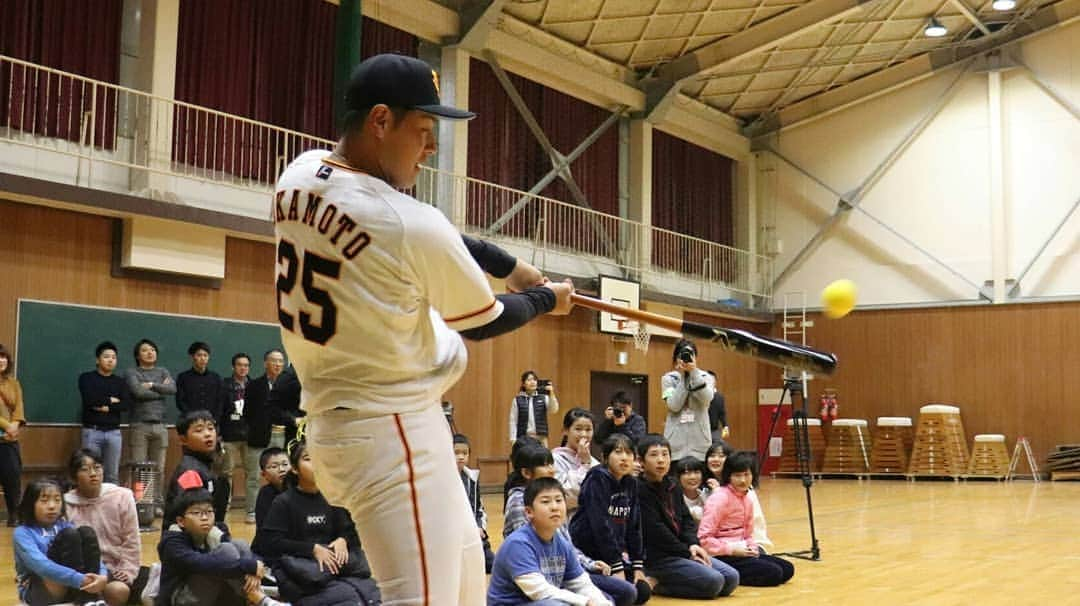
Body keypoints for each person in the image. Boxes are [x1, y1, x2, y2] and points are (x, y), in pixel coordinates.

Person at [279, 53, 574, 605]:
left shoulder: (299, 172)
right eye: (424, 131)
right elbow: (487, 320)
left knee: (466, 574)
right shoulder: (406, 222)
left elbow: (426, 233)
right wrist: (544, 298)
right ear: (381, 121)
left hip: (353, 419)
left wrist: (507, 265)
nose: (432, 148)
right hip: (391, 431)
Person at [504, 443, 637, 606]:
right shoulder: (519, 525)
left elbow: (571, 555)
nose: (552, 469)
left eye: (559, 501)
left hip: (557, 576)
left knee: (624, 592)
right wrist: (583, 601)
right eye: (545, 465)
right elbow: (537, 586)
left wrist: (590, 564)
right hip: (529, 589)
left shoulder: (556, 536)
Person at [256, 441, 380, 605]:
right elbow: (270, 543)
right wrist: (312, 549)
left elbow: (352, 531)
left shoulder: (334, 496)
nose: (316, 464)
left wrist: (343, 539)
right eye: (308, 459)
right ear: (294, 468)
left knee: (370, 595)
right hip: (302, 573)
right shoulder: (283, 502)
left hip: (337, 568)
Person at [635, 434, 739, 600]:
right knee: (714, 582)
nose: (661, 460)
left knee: (732, 578)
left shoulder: (673, 485)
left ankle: (680, 573)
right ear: (641, 461)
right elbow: (656, 532)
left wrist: (693, 544)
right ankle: (657, 582)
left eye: (665, 454)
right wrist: (688, 552)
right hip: (658, 557)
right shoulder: (639, 490)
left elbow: (687, 520)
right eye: (654, 455)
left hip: (682, 550)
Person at [157, 472, 283, 606]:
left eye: (209, 512)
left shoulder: (216, 530)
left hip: (213, 595)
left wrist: (253, 570)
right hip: (181, 599)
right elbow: (201, 563)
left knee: (239, 545)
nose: (204, 517)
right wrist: (249, 566)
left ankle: (254, 597)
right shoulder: (172, 541)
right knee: (226, 551)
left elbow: (243, 555)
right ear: (181, 521)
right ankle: (258, 598)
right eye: (196, 513)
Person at [488, 477, 613, 606]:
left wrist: (601, 602)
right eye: (546, 501)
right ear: (529, 512)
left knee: (607, 598)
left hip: (543, 601)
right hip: (516, 603)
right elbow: (539, 591)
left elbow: (580, 582)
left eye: (559, 500)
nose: (554, 507)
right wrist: (585, 602)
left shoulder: (561, 543)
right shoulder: (518, 544)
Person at [569, 434, 651, 604]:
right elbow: (600, 526)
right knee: (627, 594)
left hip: (613, 555)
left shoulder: (631, 483)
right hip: (590, 556)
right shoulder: (597, 478)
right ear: (605, 458)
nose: (624, 458)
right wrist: (616, 566)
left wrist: (638, 566)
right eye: (618, 452)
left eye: (629, 453)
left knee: (642, 591)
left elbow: (634, 526)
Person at [698, 451, 794, 587]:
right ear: (729, 476)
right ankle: (726, 573)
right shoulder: (719, 499)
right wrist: (732, 550)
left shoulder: (747, 498)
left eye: (746, 475)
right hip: (722, 554)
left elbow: (747, 534)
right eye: (737, 475)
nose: (743, 480)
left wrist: (752, 547)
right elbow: (704, 539)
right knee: (774, 573)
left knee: (788, 569)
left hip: (742, 552)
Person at [13, 478, 110, 605]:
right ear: (31, 504)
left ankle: (88, 598)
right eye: (44, 500)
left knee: (86, 532)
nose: (52, 506)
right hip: (39, 589)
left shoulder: (65, 525)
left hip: (74, 584)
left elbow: (95, 556)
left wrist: (102, 576)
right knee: (69, 535)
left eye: (57, 500)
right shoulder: (23, 532)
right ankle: (87, 595)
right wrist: (82, 580)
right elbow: (42, 566)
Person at [64, 449, 141, 605]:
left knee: (119, 590)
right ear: (74, 477)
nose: (93, 473)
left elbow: (131, 539)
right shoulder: (65, 503)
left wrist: (127, 570)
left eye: (97, 467)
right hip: (81, 569)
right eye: (85, 469)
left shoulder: (122, 496)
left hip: (116, 568)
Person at [126, 338, 175, 514]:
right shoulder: (132, 372)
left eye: (153, 349)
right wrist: (160, 391)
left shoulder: (162, 371)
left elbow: (172, 390)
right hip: (140, 425)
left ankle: (156, 504)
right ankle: (140, 503)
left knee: (159, 469)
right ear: (138, 355)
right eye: (145, 350)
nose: (150, 352)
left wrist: (153, 385)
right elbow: (138, 392)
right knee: (140, 468)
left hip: (161, 426)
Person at [243, 350, 288, 524]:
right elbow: (247, 412)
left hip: (283, 434)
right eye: (274, 361)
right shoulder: (254, 385)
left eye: (280, 361)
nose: (277, 364)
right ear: (265, 363)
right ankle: (251, 511)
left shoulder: (289, 385)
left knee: (284, 474)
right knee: (254, 475)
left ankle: (282, 509)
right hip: (259, 435)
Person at [164, 410, 230, 526]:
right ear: (183, 439)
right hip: (184, 539)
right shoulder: (190, 471)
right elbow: (194, 517)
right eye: (199, 430)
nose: (207, 434)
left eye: (210, 428)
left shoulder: (209, 465)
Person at [78, 341, 131, 485]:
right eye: (107, 356)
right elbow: (90, 400)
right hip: (92, 431)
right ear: (97, 359)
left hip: (114, 433)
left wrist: (105, 406)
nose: (110, 360)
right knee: (90, 473)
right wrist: (111, 400)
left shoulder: (120, 382)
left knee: (112, 475)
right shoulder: (87, 378)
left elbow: (126, 404)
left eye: (114, 357)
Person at [662, 339, 715, 461]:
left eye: (690, 354)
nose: (686, 358)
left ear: (695, 358)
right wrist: (684, 378)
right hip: (675, 446)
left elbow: (706, 399)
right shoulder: (668, 379)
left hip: (700, 445)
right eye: (682, 355)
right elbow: (674, 405)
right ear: (676, 359)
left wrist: (693, 374)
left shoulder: (706, 377)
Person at [453, 434, 495, 573]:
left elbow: (479, 508)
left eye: (465, 453)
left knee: (492, 563)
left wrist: (480, 528)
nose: (461, 456)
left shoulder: (472, 478)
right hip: (454, 537)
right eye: (456, 452)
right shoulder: (444, 480)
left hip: (474, 535)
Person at [218, 353, 251, 515]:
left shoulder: (253, 385)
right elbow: (220, 410)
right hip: (229, 434)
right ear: (233, 367)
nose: (243, 368)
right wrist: (218, 432)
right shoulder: (224, 385)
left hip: (249, 435)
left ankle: (251, 506)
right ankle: (225, 503)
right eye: (240, 365)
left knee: (251, 472)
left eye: (246, 365)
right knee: (227, 471)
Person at [551, 408, 599, 513]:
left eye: (588, 429)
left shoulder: (595, 463)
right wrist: (585, 465)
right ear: (565, 431)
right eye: (578, 429)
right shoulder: (554, 459)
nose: (583, 434)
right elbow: (565, 496)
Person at [0, 344, 27, 526]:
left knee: (12, 476)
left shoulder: (13, 383)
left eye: (3, 357)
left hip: (9, 439)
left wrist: (16, 423)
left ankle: (14, 515)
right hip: (6, 429)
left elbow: (19, 407)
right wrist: (6, 424)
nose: (1, 360)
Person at [509, 370, 560, 447]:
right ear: (523, 384)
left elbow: (554, 410)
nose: (532, 382)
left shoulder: (544, 397)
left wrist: (551, 394)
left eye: (534, 379)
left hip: (541, 437)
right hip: (523, 437)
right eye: (529, 380)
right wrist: (513, 439)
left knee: (543, 458)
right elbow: (513, 421)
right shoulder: (517, 400)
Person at [175, 342, 224, 419]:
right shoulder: (183, 377)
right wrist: (191, 416)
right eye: (199, 355)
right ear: (192, 356)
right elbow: (180, 401)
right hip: (191, 421)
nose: (203, 358)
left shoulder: (216, 377)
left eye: (205, 355)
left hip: (212, 421)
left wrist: (215, 418)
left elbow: (220, 401)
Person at [252, 447, 291, 532]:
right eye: (274, 466)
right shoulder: (265, 494)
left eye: (285, 464)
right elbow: (263, 528)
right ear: (264, 474)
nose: (281, 470)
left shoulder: (300, 490)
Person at [674, 457, 709, 522]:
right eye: (687, 473)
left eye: (696, 472)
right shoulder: (673, 497)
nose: (692, 477)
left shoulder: (708, 494)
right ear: (678, 477)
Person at [705, 371, 729, 443]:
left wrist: (725, 426)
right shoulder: (699, 396)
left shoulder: (719, 397)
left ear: (715, 382)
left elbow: (722, 413)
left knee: (719, 446)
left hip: (714, 430)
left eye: (711, 380)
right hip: (700, 430)